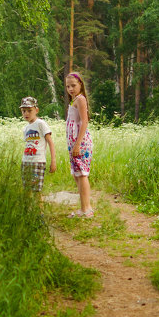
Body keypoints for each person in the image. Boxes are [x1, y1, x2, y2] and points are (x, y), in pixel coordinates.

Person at [64, 71, 94, 218]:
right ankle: (85, 207)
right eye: (68, 86)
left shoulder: (80, 99)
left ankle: (86, 210)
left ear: (80, 84)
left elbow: (84, 122)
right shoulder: (74, 100)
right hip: (74, 143)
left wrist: (77, 144)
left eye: (73, 85)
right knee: (77, 175)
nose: (70, 89)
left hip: (80, 143)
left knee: (82, 174)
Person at [19, 96, 55, 201]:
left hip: (37, 162)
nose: (26, 113)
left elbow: (50, 143)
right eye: (23, 111)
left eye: (29, 110)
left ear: (36, 110)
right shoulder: (25, 128)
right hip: (26, 161)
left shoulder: (40, 124)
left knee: (36, 190)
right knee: (27, 189)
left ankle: (39, 214)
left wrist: (53, 161)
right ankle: (27, 212)